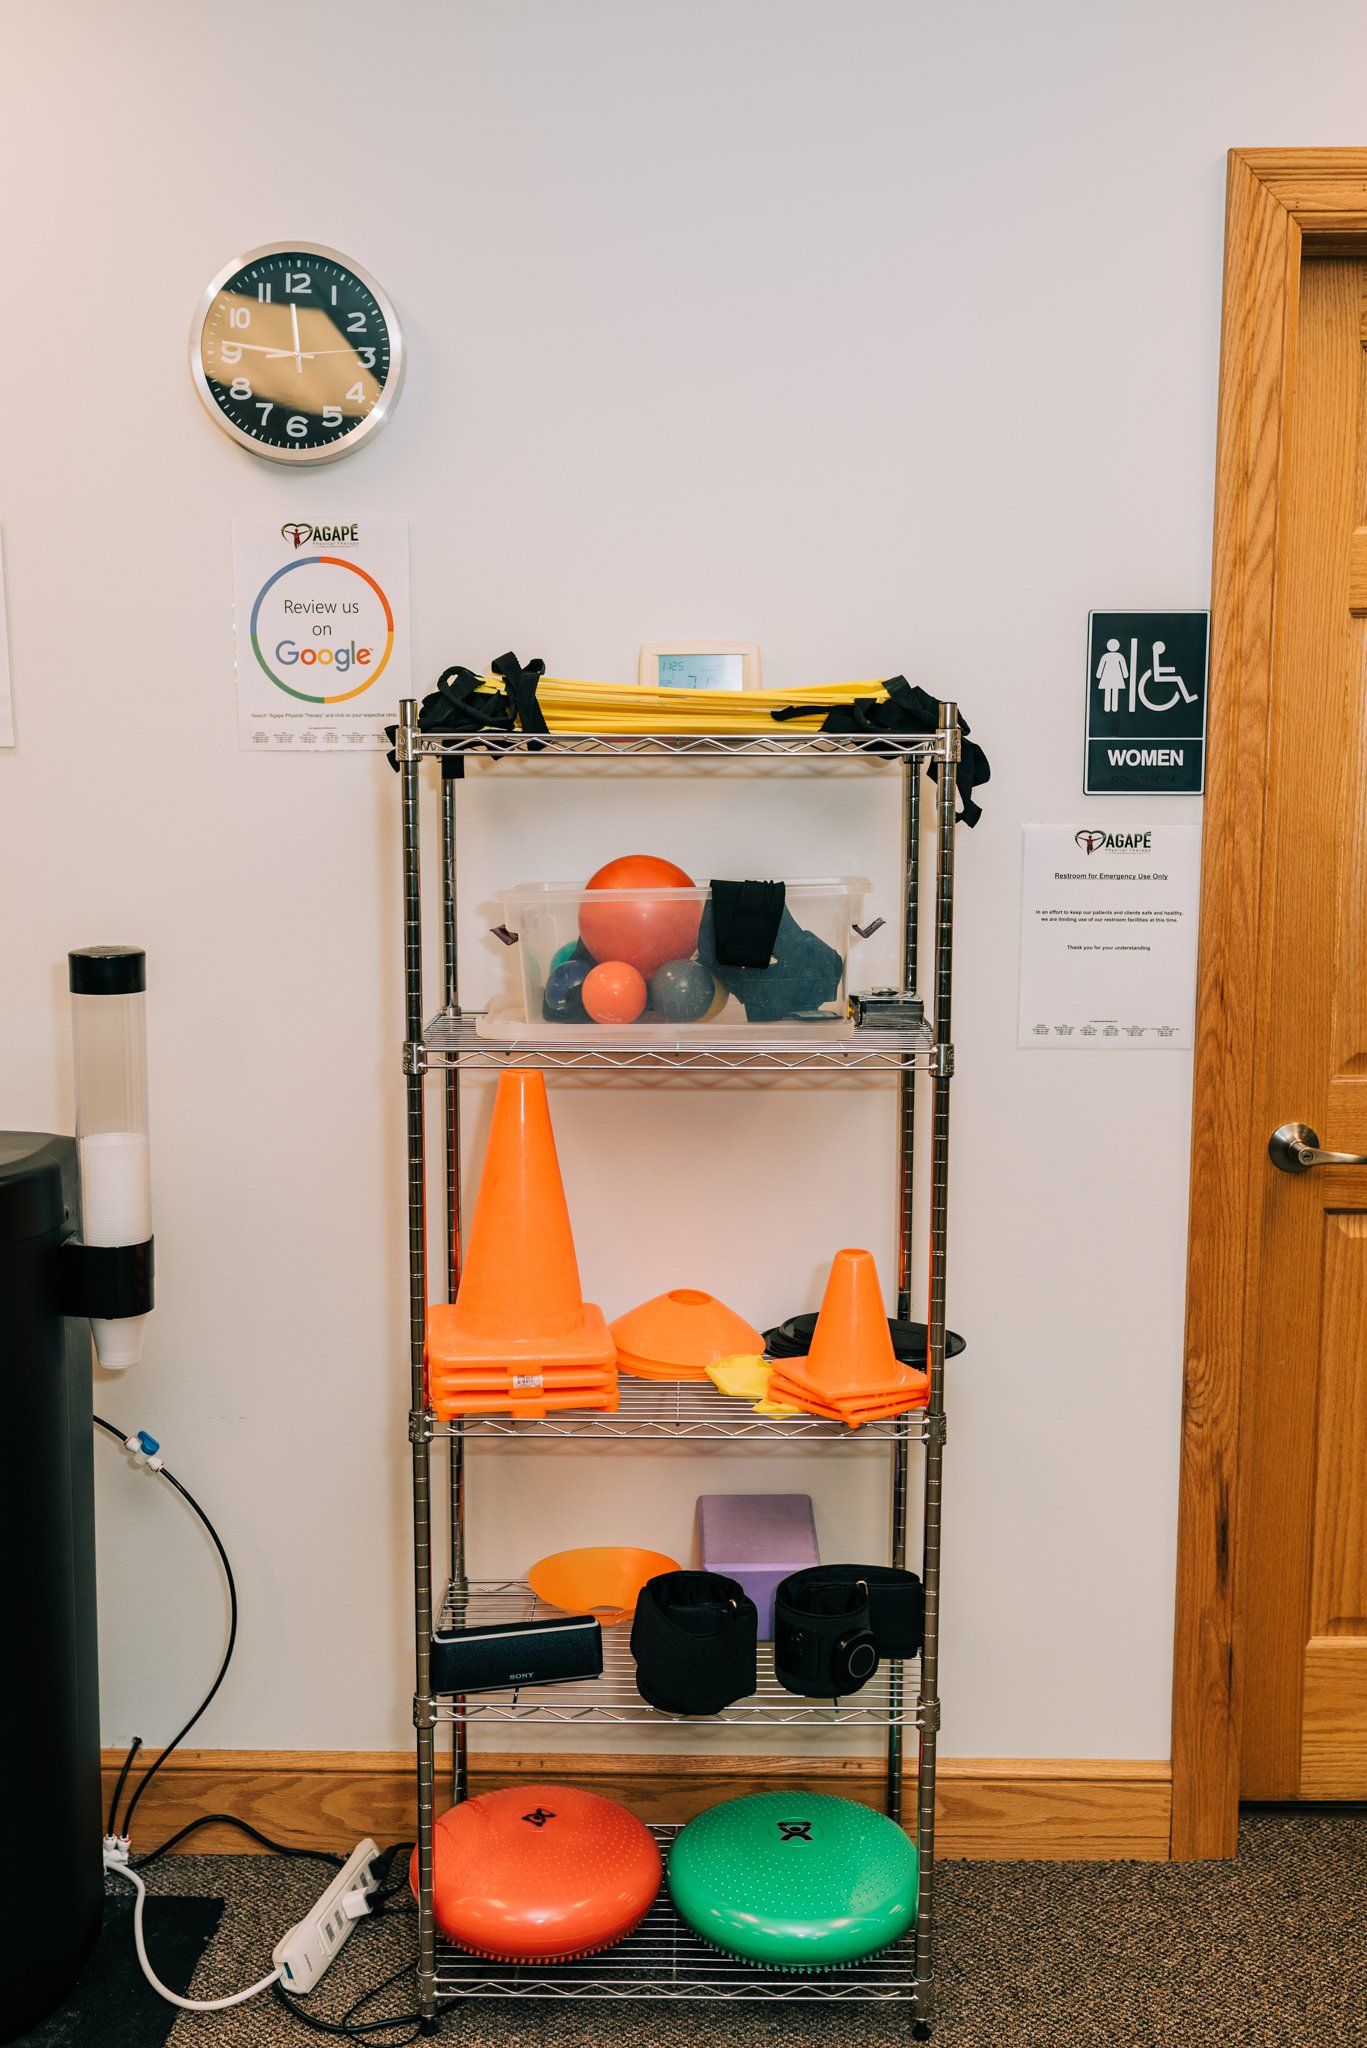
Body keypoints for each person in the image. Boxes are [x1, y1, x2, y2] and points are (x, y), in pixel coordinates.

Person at [1095, 637, 1128, 714]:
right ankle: (1112, 707)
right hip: (1115, 676)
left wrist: (1099, 675)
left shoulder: (1107, 656)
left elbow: (1101, 666)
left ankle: (1109, 707)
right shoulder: (1118, 656)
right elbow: (1101, 665)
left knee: (1110, 691)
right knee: (1113, 691)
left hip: (1109, 676)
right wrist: (1125, 675)